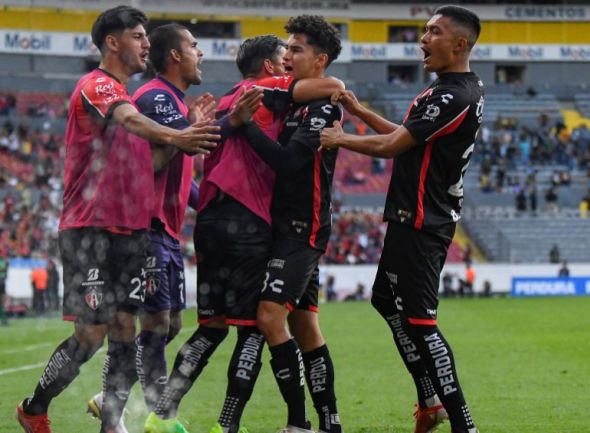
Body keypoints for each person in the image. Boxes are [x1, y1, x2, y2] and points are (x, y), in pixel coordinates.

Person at [15, 6, 221, 433]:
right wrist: (182, 132)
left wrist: (182, 136)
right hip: (88, 229)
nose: (147, 44)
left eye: (147, 37)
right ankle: (34, 408)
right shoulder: (98, 85)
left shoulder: (128, 97)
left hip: (130, 232)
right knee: (92, 336)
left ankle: (111, 424)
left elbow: (156, 162)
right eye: (138, 36)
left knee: (128, 330)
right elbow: (127, 119)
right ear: (112, 42)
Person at [144, 33, 343, 433]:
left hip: (211, 222)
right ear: (270, 67)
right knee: (254, 327)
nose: (288, 60)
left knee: (212, 327)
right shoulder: (264, 90)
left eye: (294, 52)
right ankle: (228, 426)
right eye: (284, 55)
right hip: (248, 222)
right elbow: (333, 86)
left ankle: (159, 416)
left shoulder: (226, 98)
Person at [321, 6, 482, 433]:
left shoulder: (453, 95)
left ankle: (461, 422)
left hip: (423, 223)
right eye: (425, 30)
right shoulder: (448, 90)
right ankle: (430, 402)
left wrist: (342, 137)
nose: (423, 39)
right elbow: (406, 137)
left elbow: (395, 146)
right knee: (384, 300)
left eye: (434, 31)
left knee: (423, 324)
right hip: (413, 216)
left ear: (460, 43)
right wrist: (358, 111)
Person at [85, 23, 217, 429]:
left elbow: (181, 176)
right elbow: (160, 156)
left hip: (168, 233)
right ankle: (161, 418)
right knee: (154, 325)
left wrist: (214, 203)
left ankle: (111, 398)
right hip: (146, 227)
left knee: (170, 324)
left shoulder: (176, 103)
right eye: (194, 46)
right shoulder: (157, 98)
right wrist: (201, 127)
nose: (201, 53)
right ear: (175, 56)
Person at [240, 16, 345, 433]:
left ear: (320, 59)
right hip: (286, 227)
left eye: (296, 49)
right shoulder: (297, 101)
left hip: (304, 227)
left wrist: (245, 125)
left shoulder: (323, 109)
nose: (287, 54)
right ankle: (329, 422)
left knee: (269, 317)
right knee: (305, 326)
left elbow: (287, 162)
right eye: (286, 47)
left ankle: (298, 423)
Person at [0, 252, 8, 325]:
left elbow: (4, 269)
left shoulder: (3, 261)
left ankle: (3, 320)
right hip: (1, 281)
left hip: (2, 281)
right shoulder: (3, 261)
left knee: (2, 302)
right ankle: (3, 320)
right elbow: (3, 269)